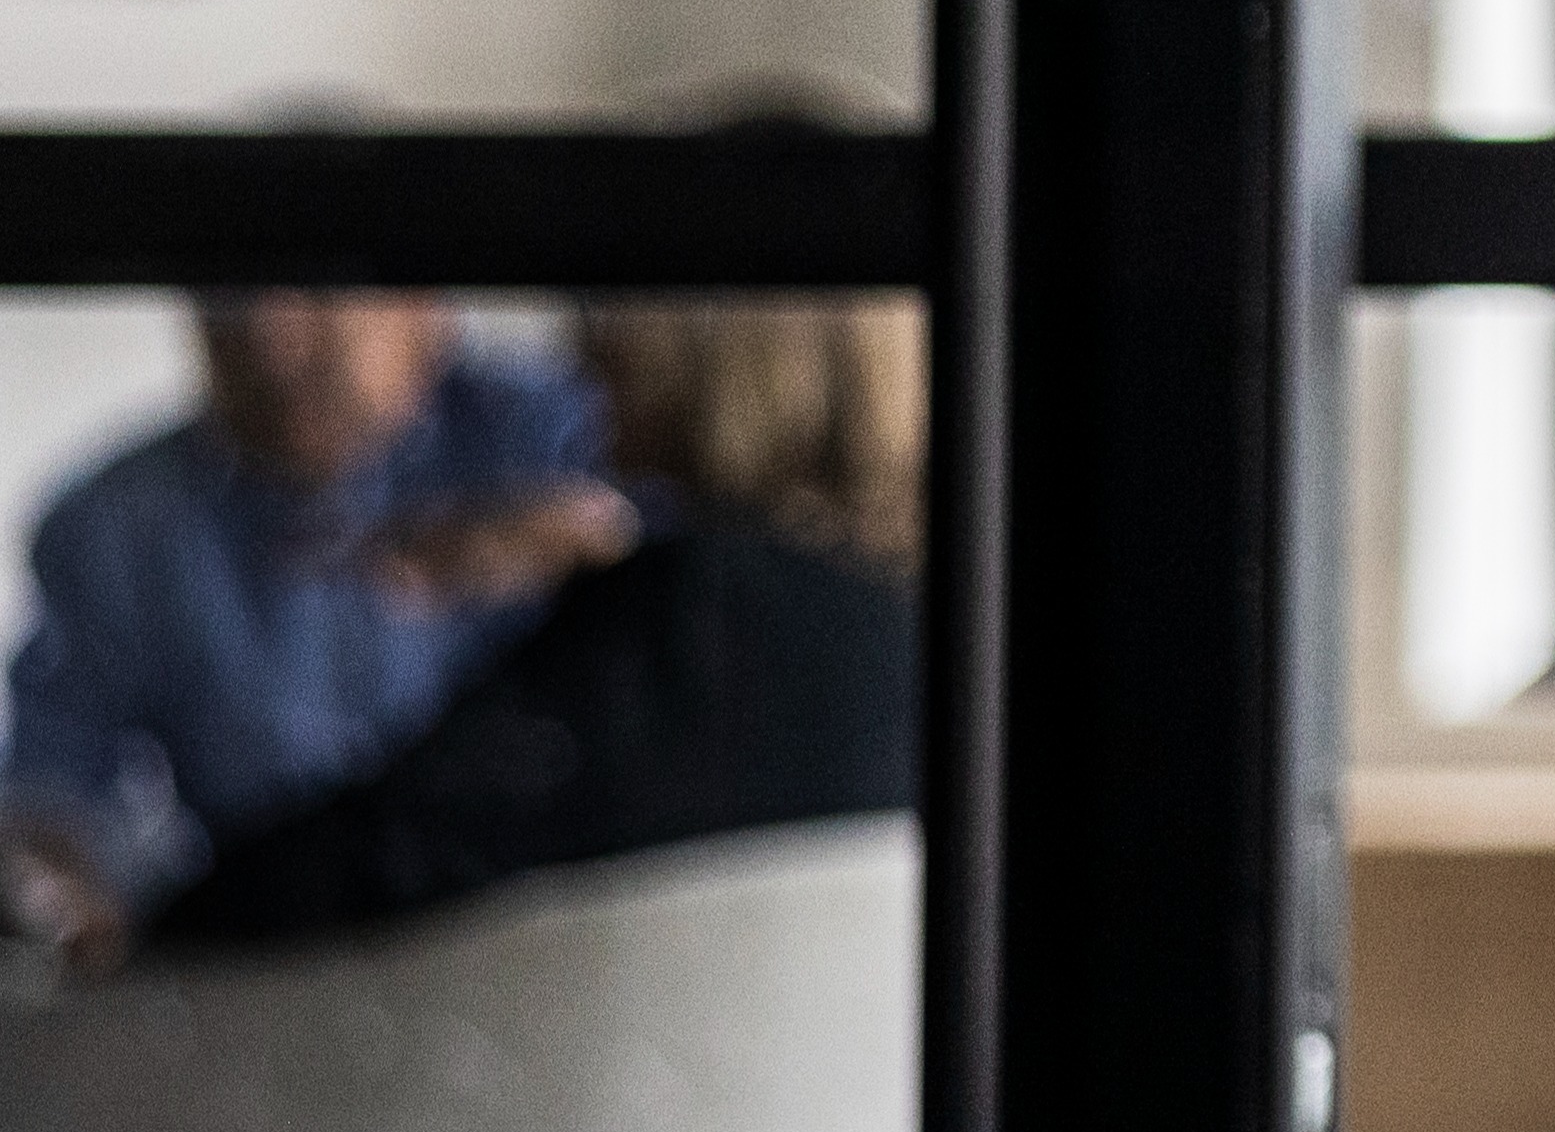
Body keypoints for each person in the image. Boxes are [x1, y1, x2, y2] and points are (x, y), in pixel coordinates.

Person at [152, 298, 922, 952]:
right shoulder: (922, 621)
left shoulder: (695, 609)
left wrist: (151, 936)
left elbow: (394, 846)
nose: (585, 359)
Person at [0, 293, 629, 971]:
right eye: (230, 302)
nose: (271, 337)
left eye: (317, 290)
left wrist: (612, 562)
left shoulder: (570, 438)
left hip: (547, 959)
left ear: (427, 304)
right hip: (270, 978)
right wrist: (55, 884)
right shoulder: (112, 528)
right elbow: (54, 789)